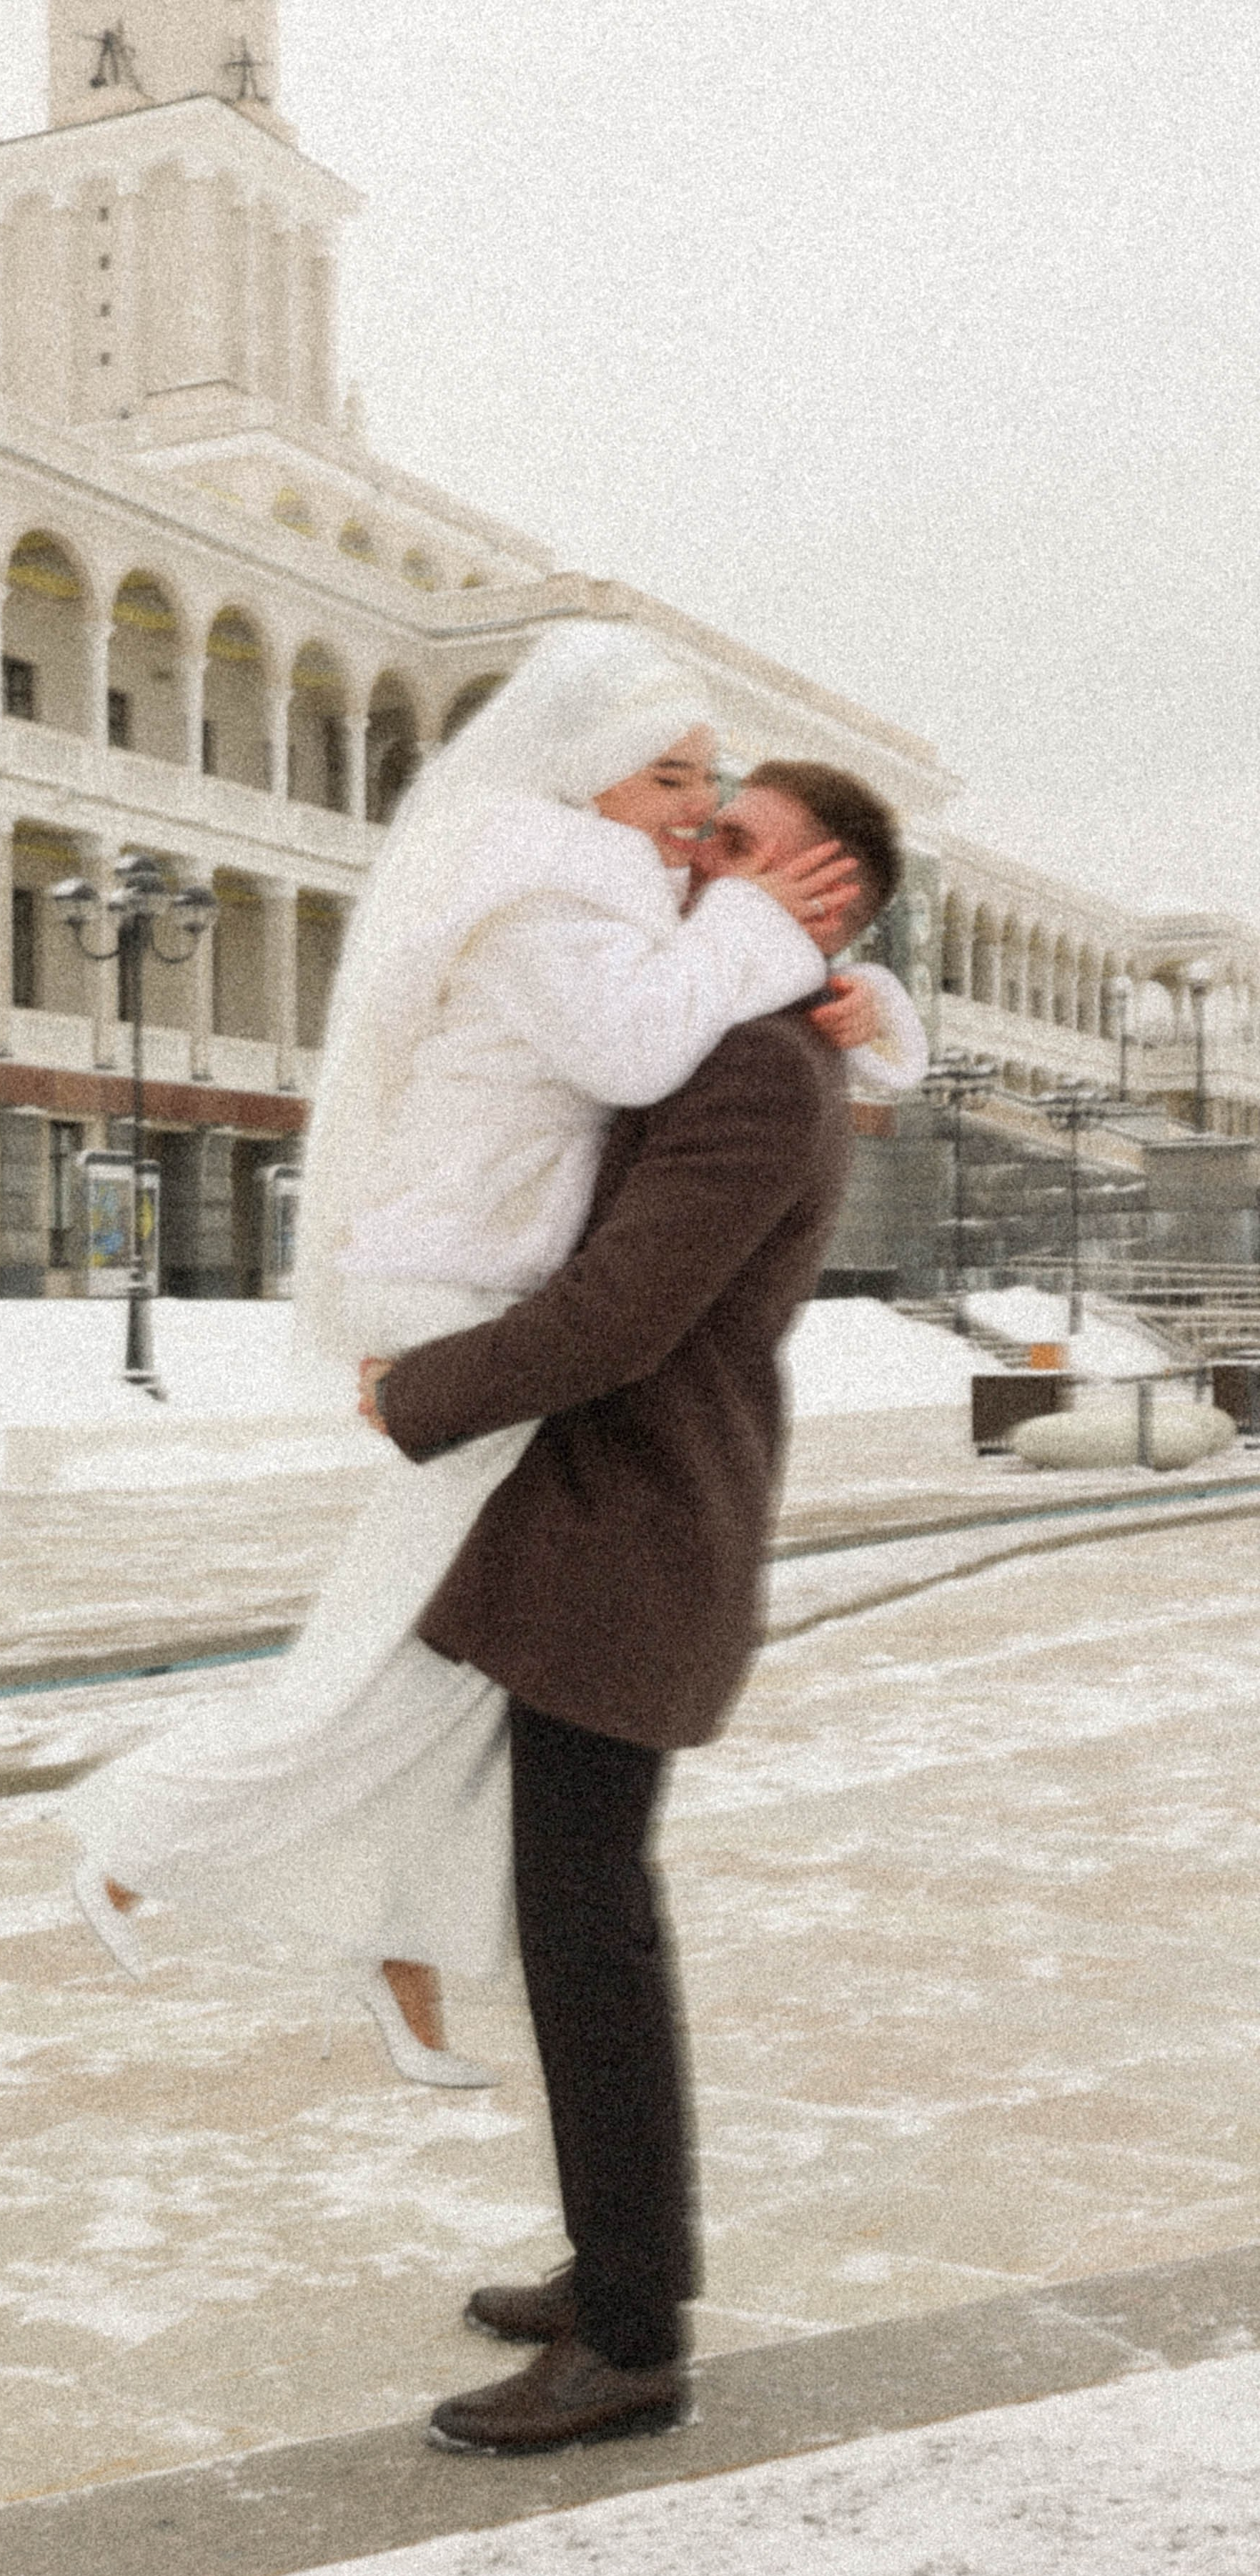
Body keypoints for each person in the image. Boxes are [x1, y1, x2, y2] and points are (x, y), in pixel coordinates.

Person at [65, 624, 923, 2083]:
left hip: (485, 1286)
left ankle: (384, 1939)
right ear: (591, 772)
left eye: (717, 802)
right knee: (400, 1640)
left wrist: (867, 999)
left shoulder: (615, 889)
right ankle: (142, 1841)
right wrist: (776, 929)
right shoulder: (538, 888)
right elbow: (642, 1052)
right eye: (676, 788)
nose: (698, 832)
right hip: (457, 1289)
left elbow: (749, 1019)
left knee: (449, 1660)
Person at [361, 759, 898, 2455]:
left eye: (732, 843)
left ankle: (631, 2333)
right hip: (600, 1521)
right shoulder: (715, 1035)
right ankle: (620, 2265)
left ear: (825, 895)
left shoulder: (751, 1068)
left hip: (634, 1535)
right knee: (577, 1919)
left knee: (590, 1936)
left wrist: (415, 1390)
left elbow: (619, 1313)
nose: (690, 856)